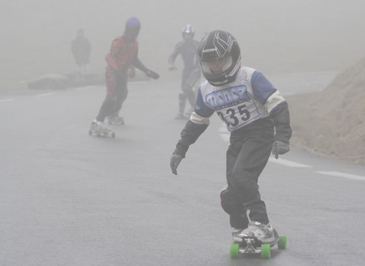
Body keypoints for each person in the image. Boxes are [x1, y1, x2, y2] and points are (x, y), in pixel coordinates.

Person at [169, 30, 292, 244]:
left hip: (259, 131)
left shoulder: (250, 77)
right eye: (210, 63)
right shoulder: (206, 89)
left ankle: (263, 226)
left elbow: (277, 103)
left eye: (221, 61)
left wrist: (282, 136)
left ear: (233, 58)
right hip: (237, 137)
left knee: (241, 176)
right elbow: (196, 122)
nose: (216, 66)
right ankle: (240, 228)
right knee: (231, 194)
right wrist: (180, 149)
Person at [90, 17, 159, 132]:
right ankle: (97, 122)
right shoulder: (118, 41)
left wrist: (147, 71)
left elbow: (134, 59)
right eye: (132, 29)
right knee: (111, 97)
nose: (134, 32)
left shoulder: (135, 44)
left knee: (122, 96)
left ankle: (111, 115)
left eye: (136, 30)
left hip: (122, 75)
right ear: (127, 29)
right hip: (113, 73)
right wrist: (116, 69)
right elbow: (109, 56)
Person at [168, 24, 201, 119]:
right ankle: (180, 112)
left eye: (189, 34)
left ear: (192, 35)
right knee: (183, 90)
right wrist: (171, 64)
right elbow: (172, 56)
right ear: (183, 35)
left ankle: (194, 108)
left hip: (195, 70)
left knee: (187, 87)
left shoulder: (197, 45)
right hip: (186, 70)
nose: (188, 36)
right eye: (186, 34)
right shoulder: (180, 45)